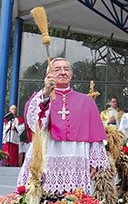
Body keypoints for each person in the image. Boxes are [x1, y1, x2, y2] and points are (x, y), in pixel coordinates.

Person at [17, 57, 109, 192]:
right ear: (49, 75)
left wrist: (94, 162)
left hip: (76, 154)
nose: (62, 72)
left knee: (74, 200)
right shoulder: (41, 97)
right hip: (48, 153)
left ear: (71, 74)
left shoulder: (86, 101)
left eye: (66, 69)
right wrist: (46, 94)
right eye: (57, 69)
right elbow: (34, 123)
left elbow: (95, 134)